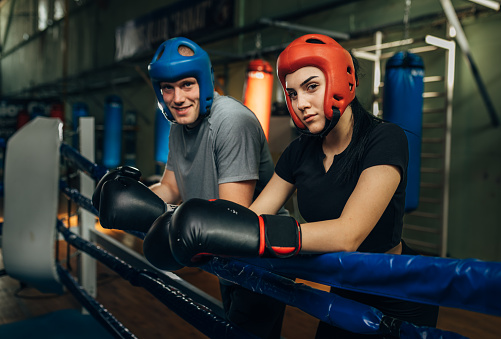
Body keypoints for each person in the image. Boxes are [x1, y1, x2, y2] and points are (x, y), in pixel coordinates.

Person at [144, 34, 439, 337]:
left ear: (341, 81)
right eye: (293, 93)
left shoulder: (384, 139)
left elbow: (349, 234)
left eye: (312, 87)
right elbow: (252, 217)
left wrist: (257, 235)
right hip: (344, 286)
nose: (301, 103)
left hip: (397, 291)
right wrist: (205, 236)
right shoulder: (299, 152)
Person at [92, 37, 288, 339]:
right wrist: (134, 198)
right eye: (167, 89)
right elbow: (171, 186)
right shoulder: (177, 125)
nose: (177, 98)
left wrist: (176, 222)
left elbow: (234, 213)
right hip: (224, 252)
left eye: (186, 85)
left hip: (260, 256)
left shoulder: (232, 122)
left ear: (204, 81)